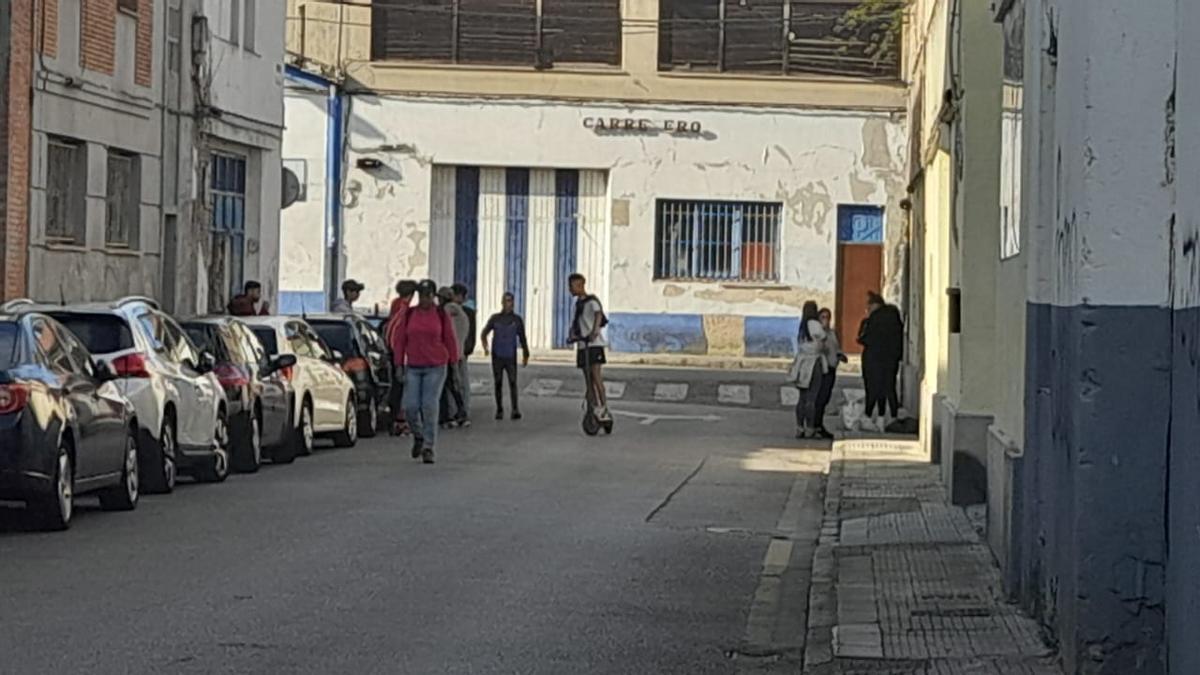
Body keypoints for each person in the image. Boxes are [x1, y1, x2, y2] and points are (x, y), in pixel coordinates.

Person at [391, 280, 459, 464]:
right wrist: (398, 364)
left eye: (428, 295)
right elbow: (400, 340)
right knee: (411, 407)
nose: (425, 299)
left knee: (429, 405)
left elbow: (450, 339)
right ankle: (419, 435)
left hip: (436, 366)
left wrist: (454, 364)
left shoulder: (440, 314)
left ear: (433, 296)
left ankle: (429, 447)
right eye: (422, 295)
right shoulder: (410, 314)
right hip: (414, 366)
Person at [858, 291, 905, 432]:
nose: (868, 310)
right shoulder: (894, 314)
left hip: (873, 358)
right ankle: (888, 416)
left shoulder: (874, 319)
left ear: (874, 305)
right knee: (888, 386)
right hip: (891, 358)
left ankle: (871, 414)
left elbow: (865, 338)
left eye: (868, 307)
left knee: (873, 387)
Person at [481, 292, 530, 420]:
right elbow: (484, 333)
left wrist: (526, 354)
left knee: (513, 382)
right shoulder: (495, 318)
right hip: (497, 356)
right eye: (507, 301)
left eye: (511, 301)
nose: (510, 303)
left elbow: (523, 338)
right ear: (502, 302)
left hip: (510, 356)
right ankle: (499, 409)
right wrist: (485, 346)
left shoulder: (517, 320)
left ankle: (515, 409)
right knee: (498, 382)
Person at [568, 273, 610, 421]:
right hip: (582, 345)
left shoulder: (592, 301)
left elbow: (598, 314)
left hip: (594, 344)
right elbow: (576, 323)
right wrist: (572, 335)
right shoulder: (578, 305)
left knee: (596, 376)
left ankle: (604, 408)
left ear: (581, 285)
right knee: (588, 380)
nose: (571, 289)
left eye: (573, 286)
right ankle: (593, 407)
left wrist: (595, 331)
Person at [790, 301, 828, 439]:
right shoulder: (815, 325)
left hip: (802, 363)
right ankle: (810, 428)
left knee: (802, 398)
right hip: (814, 363)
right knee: (812, 398)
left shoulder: (802, 326)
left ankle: (799, 427)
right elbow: (824, 340)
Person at [385, 280, 417, 435]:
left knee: (396, 388)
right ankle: (399, 420)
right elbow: (398, 335)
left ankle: (395, 420)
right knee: (402, 388)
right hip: (400, 355)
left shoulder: (395, 307)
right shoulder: (404, 311)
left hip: (392, 353)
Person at [437, 286, 471, 428]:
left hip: (449, 354)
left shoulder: (448, 311)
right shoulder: (461, 313)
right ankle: (461, 413)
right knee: (456, 385)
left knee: (447, 386)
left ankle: (449, 416)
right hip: (458, 353)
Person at [814, 307, 848, 439]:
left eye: (828, 317)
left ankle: (819, 424)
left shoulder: (832, 333)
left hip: (832, 368)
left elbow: (836, 348)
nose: (826, 320)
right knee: (820, 398)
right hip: (823, 369)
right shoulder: (818, 334)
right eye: (823, 317)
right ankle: (816, 425)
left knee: (825, 398)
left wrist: (840, 355)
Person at [452, 283, 477, 425]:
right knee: (456, 383)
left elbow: (471, 333)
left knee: (462, 383)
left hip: (461, 353)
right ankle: (456, 410)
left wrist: (467, 350)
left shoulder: (468, 312)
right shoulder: (448, 310)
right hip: (452, 353)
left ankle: (464, 410)